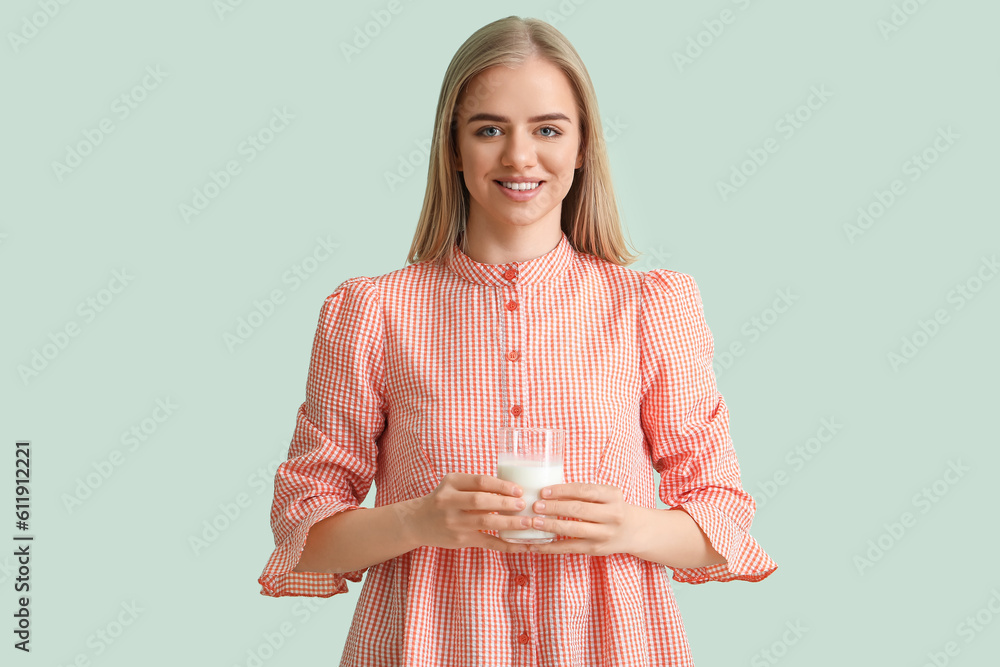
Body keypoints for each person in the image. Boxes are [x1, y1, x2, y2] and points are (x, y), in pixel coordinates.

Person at [258, 15, 776, 666]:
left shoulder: (649, 308)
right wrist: (417, 521)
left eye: (548, 129)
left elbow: (722, 514)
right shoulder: (373, 313)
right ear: (453, 147)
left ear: (583, 144)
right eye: (489, 129)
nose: (519, 157)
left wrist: (631, 526)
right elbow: (303, 527)